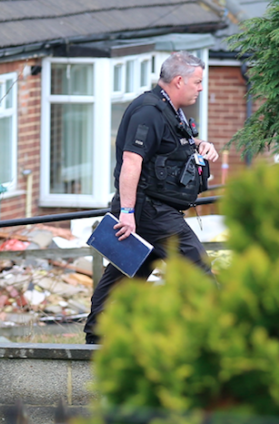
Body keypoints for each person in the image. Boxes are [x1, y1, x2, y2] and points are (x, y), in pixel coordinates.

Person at [83, 51, 220, 345]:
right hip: (148, 211)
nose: (200, 88)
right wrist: (128, 213)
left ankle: (97, 336)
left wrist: (201, 144)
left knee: (128, 271)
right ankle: (216, 333)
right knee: (194, 261)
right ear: (179, 80)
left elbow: (170, 145)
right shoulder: (148, 111)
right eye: (197, 82)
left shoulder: (170, 111)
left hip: (153, 209)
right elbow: (132, 162)